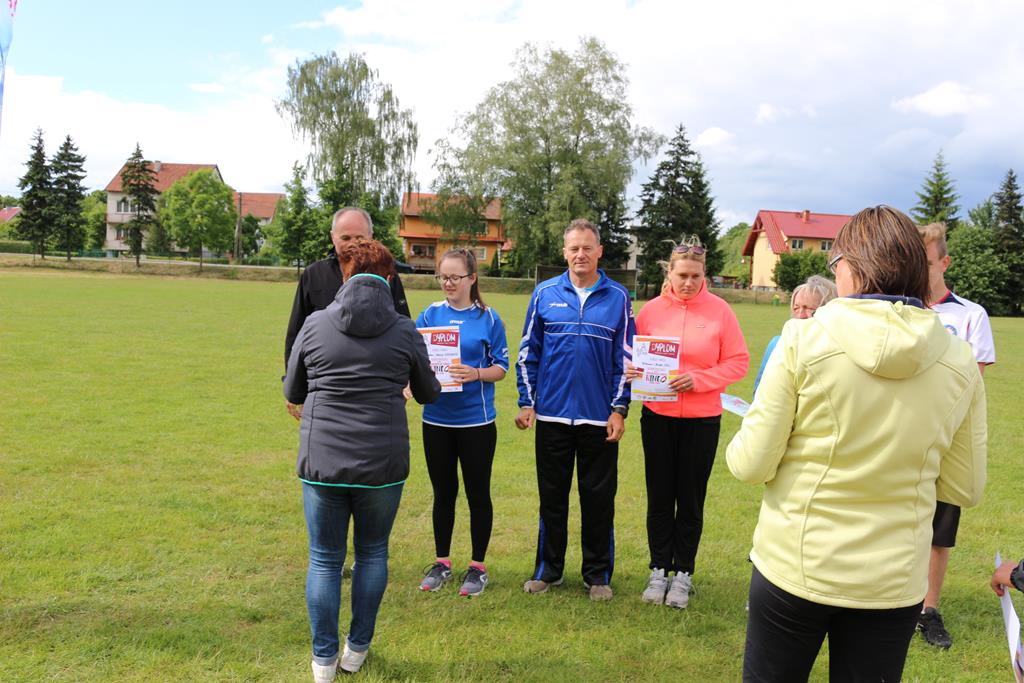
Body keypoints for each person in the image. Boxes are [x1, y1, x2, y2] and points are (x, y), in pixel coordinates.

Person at [726, 206, 987, 682]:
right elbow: (965, 486)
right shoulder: (959, 360)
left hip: (797, 564)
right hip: (893, 577)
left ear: (852, 266)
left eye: (836, 262)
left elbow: (750, 463)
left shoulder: (801, 340)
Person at [283, 239, 440, 680]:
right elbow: (428, 392)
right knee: (372, 554)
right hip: (381, 463)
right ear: (390, 277)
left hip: (323, 461)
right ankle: (356, 649)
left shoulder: (315, 323)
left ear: (346, 275)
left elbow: (293, 389)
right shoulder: (404, 330)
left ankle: (322, 660)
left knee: (324, 559)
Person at [515, 218, 636, 601]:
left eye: (587, 247)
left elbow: (625, 358)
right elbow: (528, 352)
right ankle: (547, 571)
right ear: (564, 252)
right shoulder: (545, 293)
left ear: (600, 251)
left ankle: (597, 575)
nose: (580, 254)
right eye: (574, 248)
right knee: (552, 499)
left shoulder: (618, 297)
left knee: (598, 500)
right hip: (552, 416)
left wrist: (618, 408)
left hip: (599, 419)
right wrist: (527, 401)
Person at [627, 236, 749, 608]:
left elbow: (738, 362)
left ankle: (683, 574)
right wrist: (630, 370)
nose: (689, 283)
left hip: (702, 419)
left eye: (696, 276)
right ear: (670, 272)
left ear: (704, 274)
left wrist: (700, 379)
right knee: (660, 497)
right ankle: (658, 570)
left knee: (691, 499)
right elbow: (631, 354)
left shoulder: (720, 311)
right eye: (682, 275)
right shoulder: (650, 311)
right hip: (658, 417)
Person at [915, 221, 996, 649]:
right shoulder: (899, 310)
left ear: (944, 263)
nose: (919, 270)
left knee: (938, 532)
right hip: (901, 437)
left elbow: (971, 383)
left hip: (947, 442)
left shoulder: (970, 315)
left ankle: (928, 610)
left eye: (927, 263)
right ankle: (886, 604)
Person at [415, 248, 509, 597]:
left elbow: (501, 367)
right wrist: (412, 383)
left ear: (472, 279)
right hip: (436, 420)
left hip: (476, 423)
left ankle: (477, 567)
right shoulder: (429, 314)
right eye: (443, 277)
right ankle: (442, 563)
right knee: (443, 493)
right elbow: (414, 359)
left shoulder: (489, 318)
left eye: (455, 277)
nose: (448, 283)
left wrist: (476, 373)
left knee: (477, 493)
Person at [284, 207, 411, 420]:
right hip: (325, 390)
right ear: (332, 237)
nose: (353, 243)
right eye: (345, 238)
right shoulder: (314, 274)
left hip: (376, 391)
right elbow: (296, 333)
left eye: (359, 237)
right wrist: (293, 385)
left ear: (371, 236)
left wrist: (405, 379)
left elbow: (403, 327)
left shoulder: (387, 275)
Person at [752, 275, 837, 395]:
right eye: (796, 308)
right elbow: (759, 392)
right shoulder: (778, 344)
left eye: (808, 308)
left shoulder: (838, 350)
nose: (800, 315)